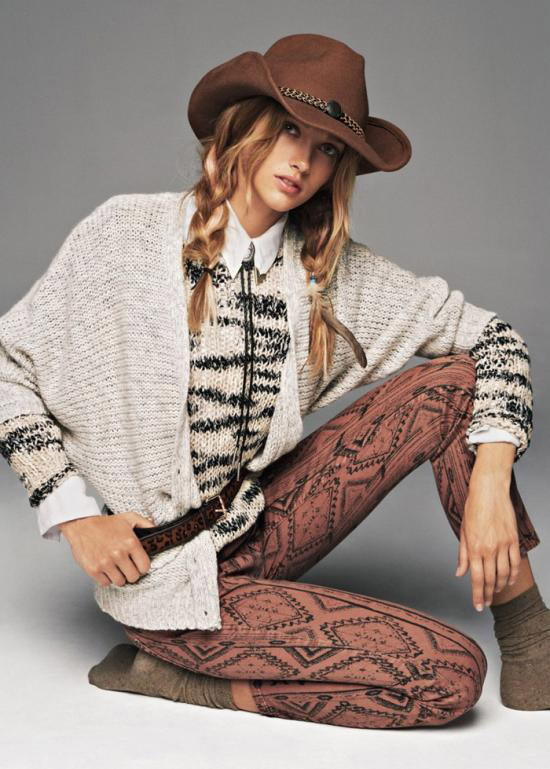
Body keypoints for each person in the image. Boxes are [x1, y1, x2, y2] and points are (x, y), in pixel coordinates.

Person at [1, 33, 549, 729]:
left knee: (453, 384)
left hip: (263, 523)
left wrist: (492, 479)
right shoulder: (126, 236)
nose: (303, 162)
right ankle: (183, 677)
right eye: (291, 129)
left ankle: (530, 632)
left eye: (328, 149)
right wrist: (74, 515)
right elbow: (8, 367)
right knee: (450, 677)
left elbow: (494, 339)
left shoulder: (321, 271)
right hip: (165, 577)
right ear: (248, 124)